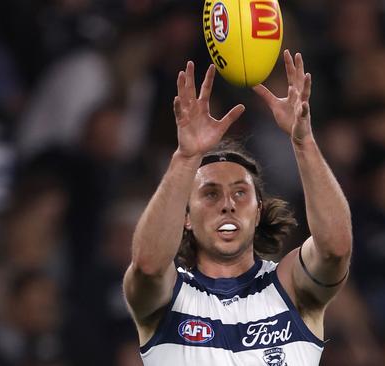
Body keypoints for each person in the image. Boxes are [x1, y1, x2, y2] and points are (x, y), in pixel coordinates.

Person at [123, 50, 353, 365]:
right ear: (186, 217)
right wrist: (186, 158)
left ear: (258, 213)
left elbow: (335, 249)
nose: (228, 205)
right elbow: (147, 266)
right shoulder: (168, 296)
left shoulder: (289, 287)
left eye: (241, 193)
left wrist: (304, 143)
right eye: (211, 194)